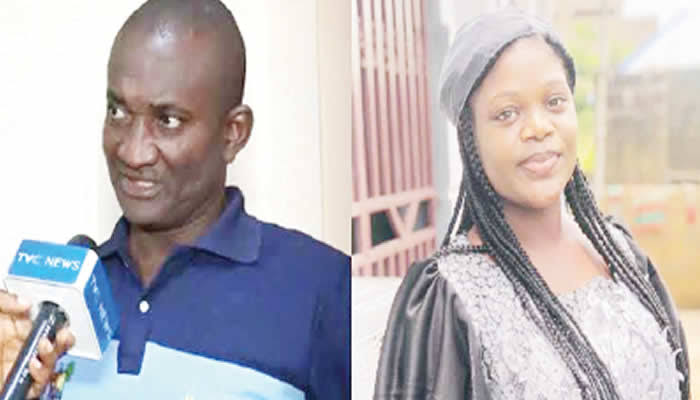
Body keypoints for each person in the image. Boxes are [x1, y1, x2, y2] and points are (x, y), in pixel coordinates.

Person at [0, 0, 349, 399]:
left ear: (233, 133)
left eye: (167, 120)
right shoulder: (56, 306)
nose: (133, 152)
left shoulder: (323, 290)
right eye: (118, 111)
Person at [374, 9, 689, 400]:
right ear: (471, 139)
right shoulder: (449, 300)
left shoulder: (622, 253)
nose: (539, 127)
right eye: (507, 113)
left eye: (555, 101)